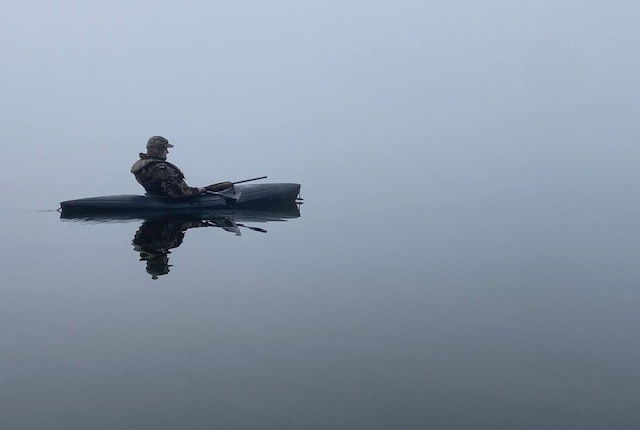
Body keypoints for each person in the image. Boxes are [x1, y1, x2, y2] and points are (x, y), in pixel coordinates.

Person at [131, 136, 232, 198]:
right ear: (159, 149)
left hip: (157, 198)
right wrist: (198, 190)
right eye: (166, 149)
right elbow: (177, 193)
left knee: (225, 185)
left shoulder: (142, 167)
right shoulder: (160, 168)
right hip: (175, 203)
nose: (167, 151)